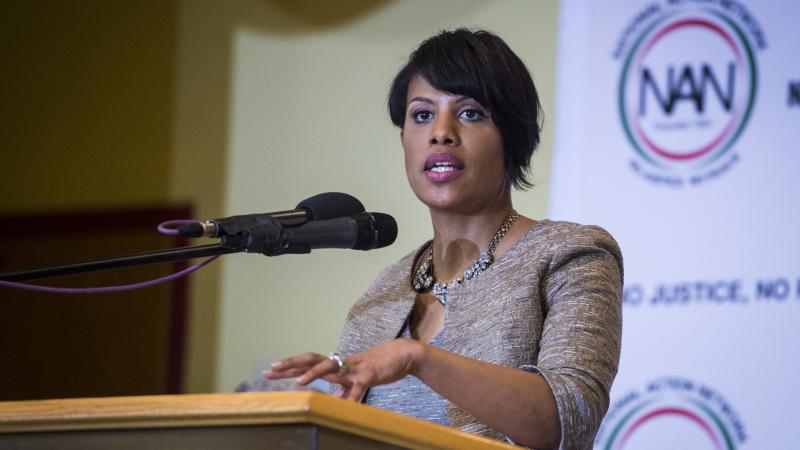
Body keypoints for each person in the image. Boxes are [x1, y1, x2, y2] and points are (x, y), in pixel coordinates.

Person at [264, 29, 622, 450]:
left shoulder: (570, 255)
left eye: (470, 113)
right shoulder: (384, 291)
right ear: (404, 140)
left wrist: (418, 357)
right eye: (421, 115)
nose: (441, 132)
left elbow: (569, 420)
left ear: (512, 136)